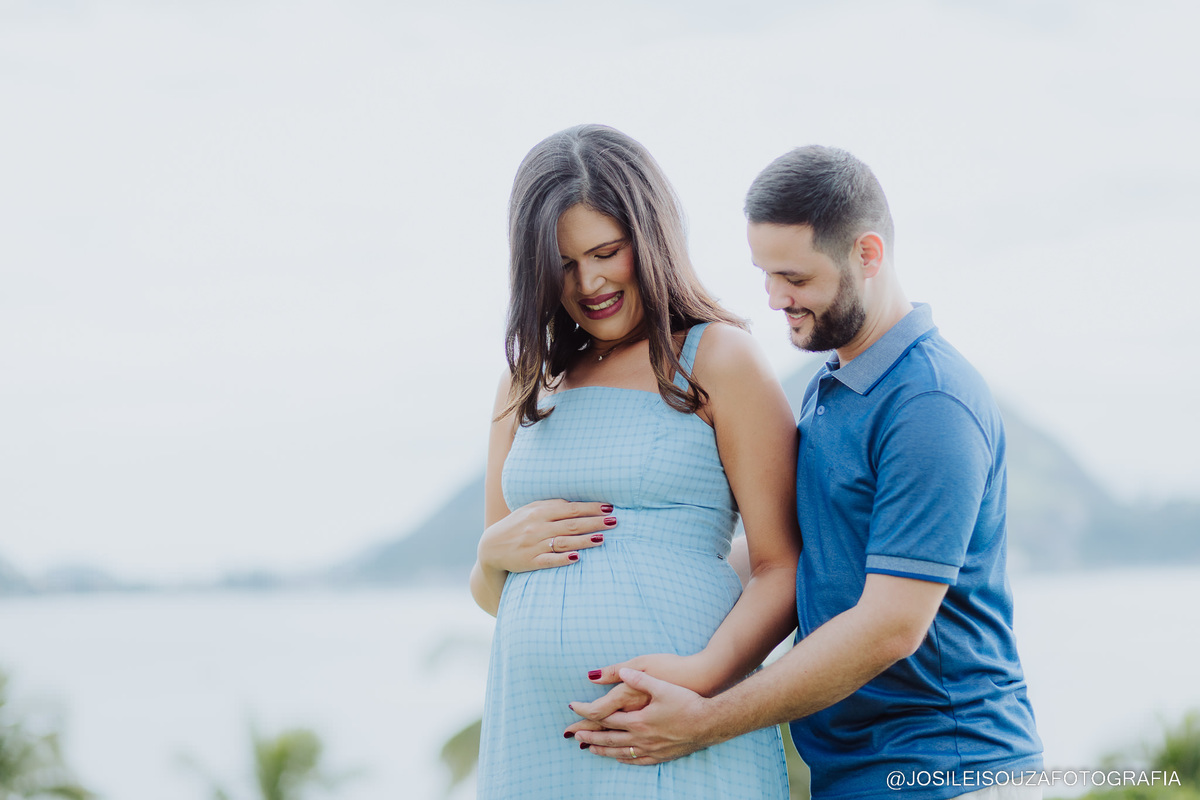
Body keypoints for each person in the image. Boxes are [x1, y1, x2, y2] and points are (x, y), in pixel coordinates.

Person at [568, 145, 1044, 800]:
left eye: (793, 277)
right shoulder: (834, 384)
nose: (773, 299)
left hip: (948, 772)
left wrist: (702, 722)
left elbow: (890, 625)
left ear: (868, 256)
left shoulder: (930, 403)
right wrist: (611, 561)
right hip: (859, 775)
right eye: (764, 274)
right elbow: (805, 555)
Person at [468, 124, 802, 799]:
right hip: (535, 734)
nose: (588, 282)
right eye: (562, 264)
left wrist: (701, 679)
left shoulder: (719, 359)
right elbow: (494, 596)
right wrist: (488, 556)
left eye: (605, 252)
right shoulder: (524, 381)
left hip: (672, 725)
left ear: (648, 238)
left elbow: (783, 566)